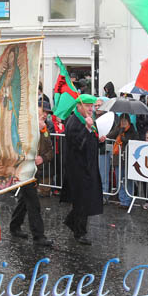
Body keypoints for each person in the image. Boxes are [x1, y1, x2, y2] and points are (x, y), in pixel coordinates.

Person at [10, 100, 55, 246]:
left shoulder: (44, 129)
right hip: (24, 170)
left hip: (35, 171)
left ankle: (14, 226)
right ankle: (38, 236)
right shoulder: (25, 127)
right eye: (43, 112)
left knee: (25, 200)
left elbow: (50, 151)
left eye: (47, 113)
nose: (45, 115)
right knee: (33, 203)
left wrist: (43, 158)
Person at [61, 94, 104, 244]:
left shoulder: (90, 121)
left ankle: (72, 222)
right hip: (77, 168)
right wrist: (86, 129)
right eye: (87, 106)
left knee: (86, 199)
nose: (90, 109)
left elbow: (91, 143)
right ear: (79, 106)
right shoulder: (73, 122)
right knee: (81, 200)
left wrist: (99, 140)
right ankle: (79, 232)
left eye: (92, 106)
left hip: (89, 166)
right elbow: (77, 144)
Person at [107, 113, 140, 208]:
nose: (123, 123)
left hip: (128, 159)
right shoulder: (118, 129)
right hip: (118, 159)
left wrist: (123, 136)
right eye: (122, 121)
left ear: (129, 121)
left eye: (125, 121)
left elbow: (130, 141)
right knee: (119, 180)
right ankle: (122, 201)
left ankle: (127, 201)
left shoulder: (133, 131)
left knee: (127, 181)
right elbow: (110, 135)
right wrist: (119, 131)